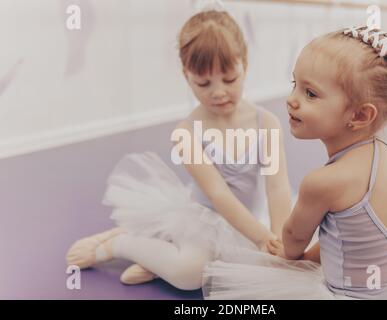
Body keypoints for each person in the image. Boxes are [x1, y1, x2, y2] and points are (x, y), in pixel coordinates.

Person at [202, 26, 387, 299]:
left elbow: (293, 238)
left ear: (359, 115)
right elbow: (350, 236)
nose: (291, 100)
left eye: (310, 94)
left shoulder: (323, 182)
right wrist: (311, 254)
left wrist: (291, 254)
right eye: (294, 85)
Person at [65, 8, 292, 290]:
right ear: (187, 75)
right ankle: (120, 244)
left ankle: (159, 260)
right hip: (204, 220)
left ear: (244, 63)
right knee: (189, 276)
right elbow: (219, 194)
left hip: (251, 219)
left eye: (230, 79)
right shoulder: (186, 134)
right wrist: (260, 238)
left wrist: (281, 241)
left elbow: (278, 188)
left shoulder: (266, 123)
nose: (219, 92)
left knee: (264, 272)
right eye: (204, 83)